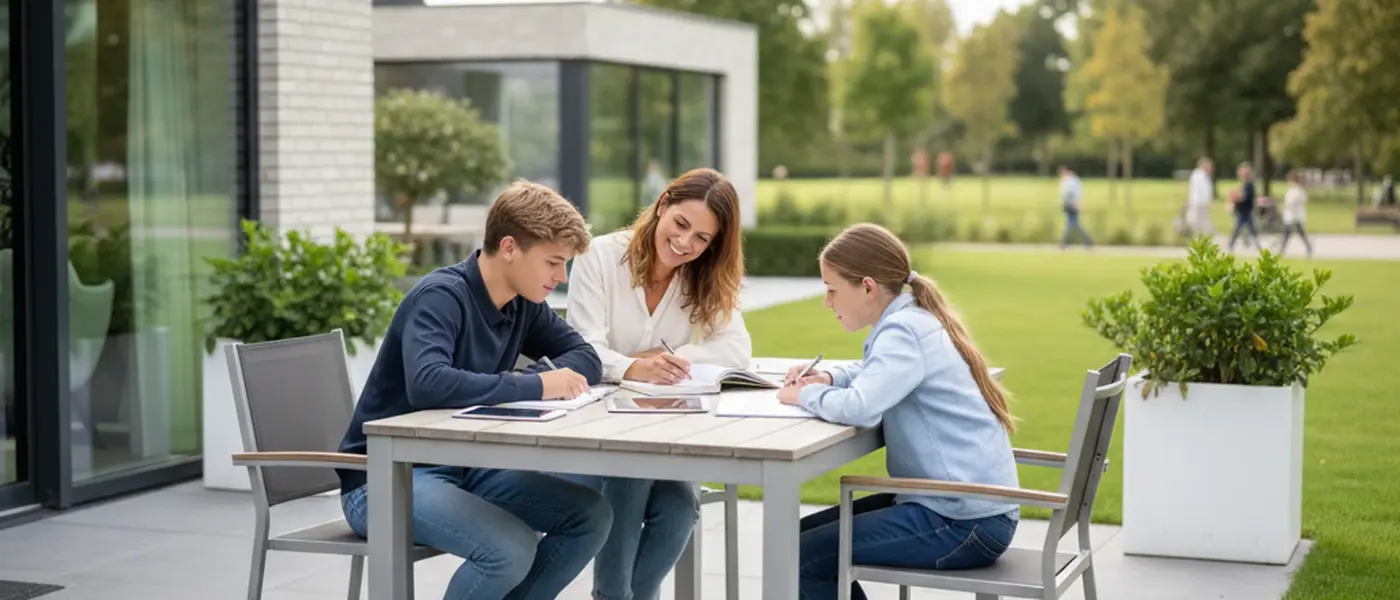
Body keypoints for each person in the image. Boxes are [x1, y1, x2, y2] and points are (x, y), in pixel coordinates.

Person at [335, 180, 614, 600]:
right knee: (509, 549)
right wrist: (536, 384)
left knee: (590, 515)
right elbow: (429, 383)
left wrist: (543, 377)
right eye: (553, 262)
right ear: (508, 248)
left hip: (464, 465)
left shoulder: (524, 304)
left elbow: (584, 355)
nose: (561, 277)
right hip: (387, 478)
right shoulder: (441, 297)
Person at [775, 223, 1020, 600]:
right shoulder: (914, 320)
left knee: (801, 556)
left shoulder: (902, 331)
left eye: (832, 290)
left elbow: (861, 407)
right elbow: (876, 373)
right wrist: (827, 375)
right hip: (963, 507)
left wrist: (803, 397)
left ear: (868, 288)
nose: (827, 302)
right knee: (797, 541)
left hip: (962, 521)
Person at [562, 167, 752, 600]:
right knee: (630, 475)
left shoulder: (701, 278)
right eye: (681, 224)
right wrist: (632, 367)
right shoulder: (601, 257)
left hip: (661, 433)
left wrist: (679, 359)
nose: (686, 244)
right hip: (591, 438)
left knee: (680, 506)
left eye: (702, 239)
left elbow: (737, 347)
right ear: (663, 204)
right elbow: (585, 351)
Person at [1278, 170, 1314, 257]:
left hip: (1296, 214)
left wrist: (1289, 204)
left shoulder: (1299, 190)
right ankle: (1283, 248)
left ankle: (1308, 246)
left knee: (1299, 231)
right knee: (1288, 232)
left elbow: (1298, 201)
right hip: (1290, 214)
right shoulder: (1292, 189)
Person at [1228, 162, 1261, 252]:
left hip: (1245, 210)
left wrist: (1234, 196)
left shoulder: (1248, 185)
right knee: (1247, 227)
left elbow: (1244, 197)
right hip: (1244, 210)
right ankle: (1256, 245)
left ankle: (1231, 244)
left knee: (1240, 228)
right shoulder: (1246, 184)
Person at [1058, 165, 1093, 249]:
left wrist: (1078, 203)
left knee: (1071, 223)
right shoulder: (1069, 181)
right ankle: (1087, 240)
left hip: (1072, 204)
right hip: (1069, 205)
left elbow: (1072, 194)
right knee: (1074, 224)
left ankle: (1064, 242)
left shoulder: (1072, 181)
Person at [1186, 157, 1215, 236]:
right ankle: (1196, 233)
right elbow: (1198, 190)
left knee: (1203, 218)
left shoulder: (1204, 176)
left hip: (1203, 202)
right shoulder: (1198, 175)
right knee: (1195, 218)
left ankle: (1204, 233)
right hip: (1198, 201)